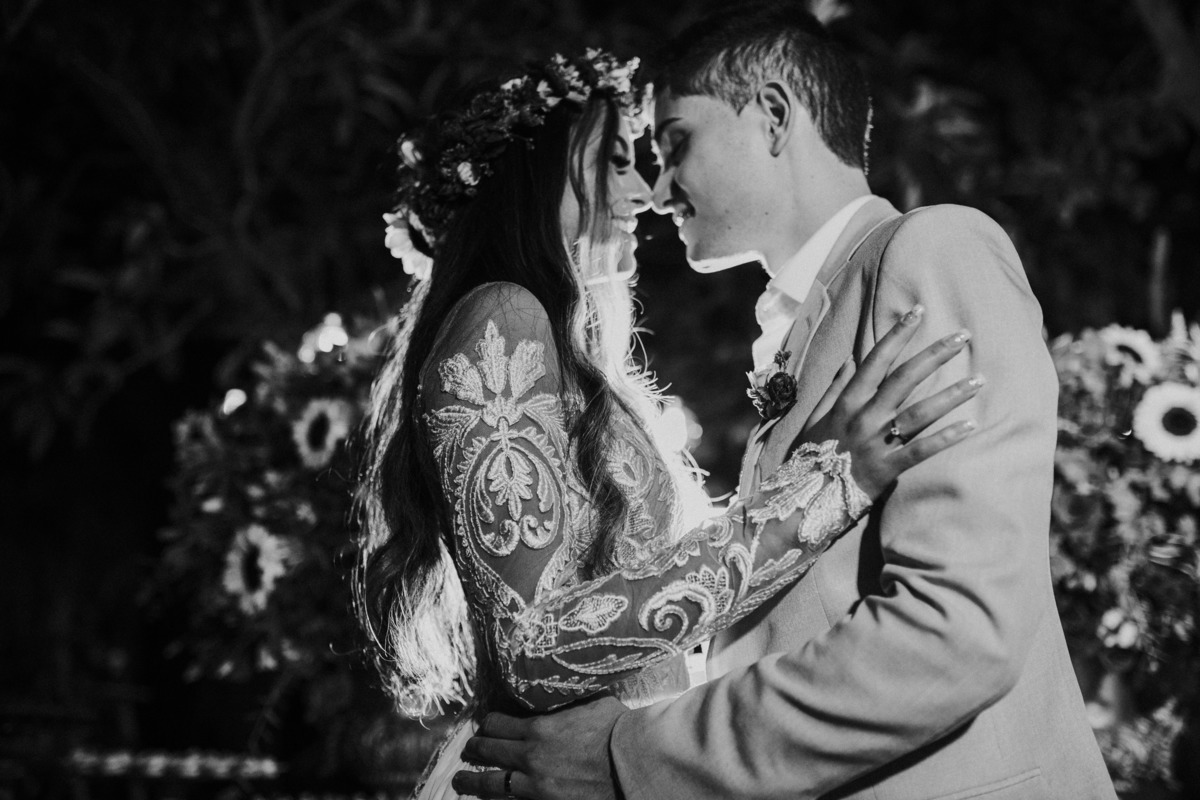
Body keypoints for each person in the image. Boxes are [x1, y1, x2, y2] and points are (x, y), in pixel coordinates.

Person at [453, 5, 1118, 800]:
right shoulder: (802, 321)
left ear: (772, 115)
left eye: (675, 144)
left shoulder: (931, 250)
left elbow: (957, 633)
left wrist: (638, 757)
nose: (658, 190)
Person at [354, 49, 980, 800]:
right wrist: (827, 486)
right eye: (616, 160)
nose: (644, 193)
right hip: (552, 772)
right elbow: (531, 646)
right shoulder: (500, 320)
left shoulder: (563, 347)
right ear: (536, 172)